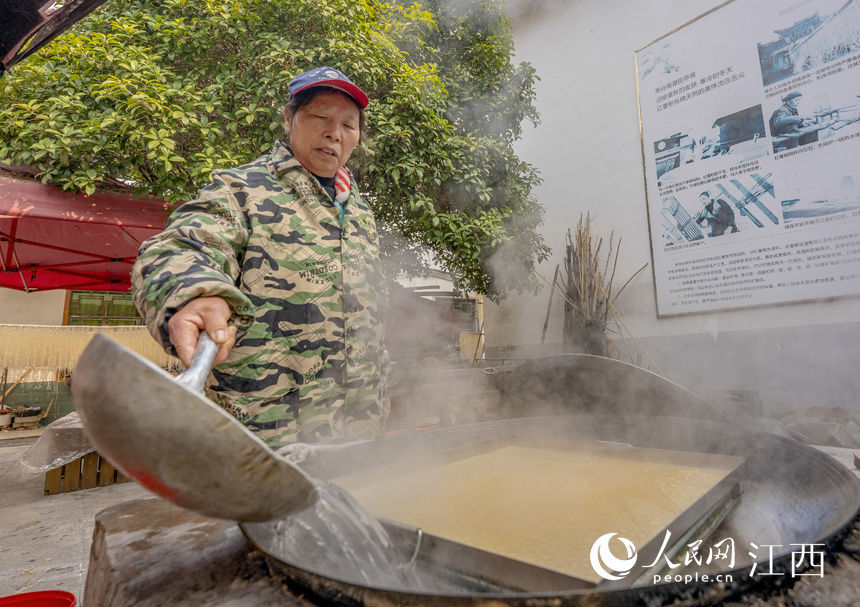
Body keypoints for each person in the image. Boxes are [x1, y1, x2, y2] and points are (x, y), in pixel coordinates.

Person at [132, 66, 388, 449]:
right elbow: (181, 245)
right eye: (321, 117)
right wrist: (194, 293)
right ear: (288, 119)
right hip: (267, 436)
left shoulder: (360, 212)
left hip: (359, 436)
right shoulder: (240, 189)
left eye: (349, 126)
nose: (335, 133)